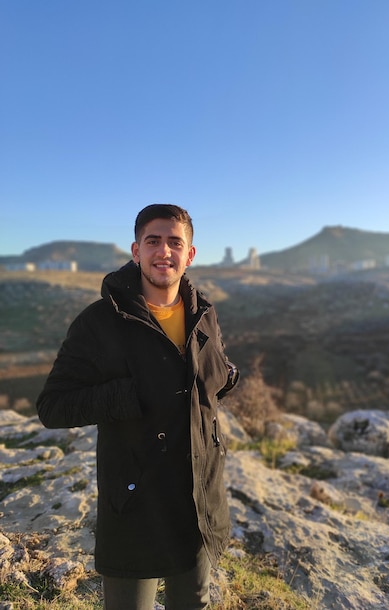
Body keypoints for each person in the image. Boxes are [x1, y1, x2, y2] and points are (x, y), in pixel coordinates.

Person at [36, 204, 239, 610]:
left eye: (175, 242)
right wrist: (128, 396)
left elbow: (214, 375)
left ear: (190, 254)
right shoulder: (100, 322)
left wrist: (227, 375)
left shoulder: (204, 314)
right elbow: (52, 406)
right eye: (153, 241)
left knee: (193, 602)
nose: (164, 251)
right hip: (135, 497)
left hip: (197, 495)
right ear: (136, 251)